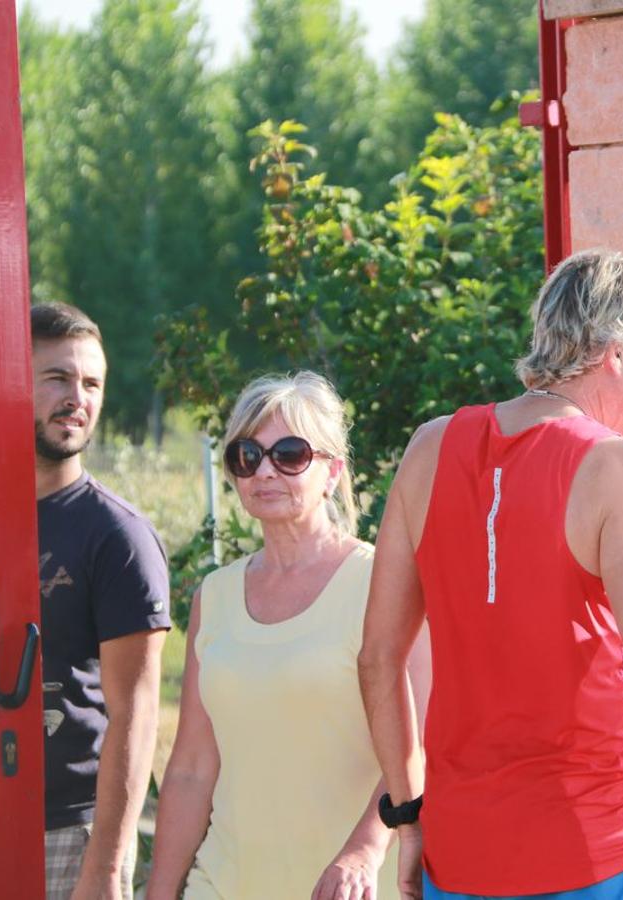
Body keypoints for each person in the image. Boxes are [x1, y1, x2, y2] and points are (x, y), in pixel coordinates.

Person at [361, 249, 623, 899]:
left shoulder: (426, 450)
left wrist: (408, 820)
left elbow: (376, 659)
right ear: (618, 354)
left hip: (459, 855)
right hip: (586, 852)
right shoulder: (619, 467)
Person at [146, 371, 431, 900]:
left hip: (351, 888)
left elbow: (422, 743)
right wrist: (160, 890)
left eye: (291, 453)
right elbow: (189, 769)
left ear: (332, 471)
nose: (266, 471)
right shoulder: (216, 595)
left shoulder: (383, 585)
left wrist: (364, 852)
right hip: (226, 883)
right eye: (247, 456)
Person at [32, 302, 171, 900]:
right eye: (58, 378)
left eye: (92, 383)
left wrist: (106, 867)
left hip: (70, 826)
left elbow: (136, 714)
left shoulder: (118, 536)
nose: (78, 398)